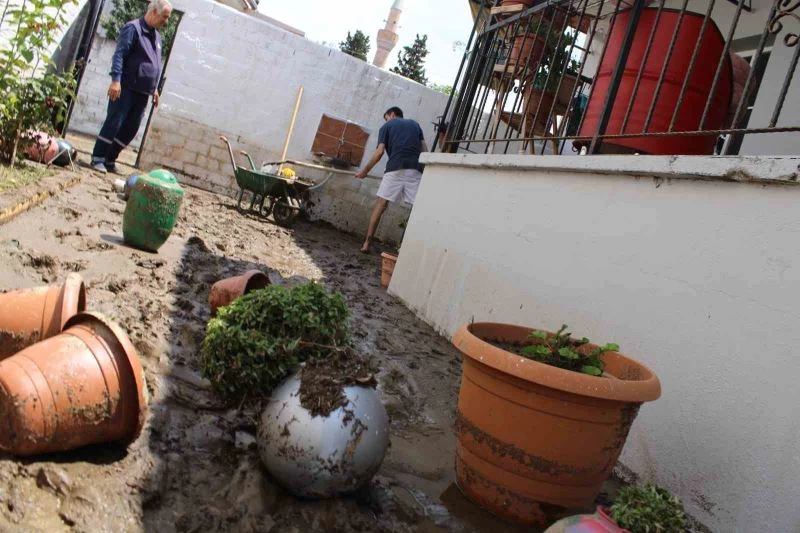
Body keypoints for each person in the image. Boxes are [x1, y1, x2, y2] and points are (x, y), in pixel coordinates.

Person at [90, 0, 172, 174]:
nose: (166, 22)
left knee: (131, 128)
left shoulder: (157, 36)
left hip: (143, 92)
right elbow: (120, 55)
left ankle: (110, 159)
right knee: (114, 123)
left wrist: (155, 88)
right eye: (164, 17)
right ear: (154, 12)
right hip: (126, 87)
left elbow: (155, 64)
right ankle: (98, 157)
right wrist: (115, 80)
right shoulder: (133, 29)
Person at [355, 106, 427, 253]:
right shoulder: (415, 124)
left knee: (380, 205)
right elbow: (425, 151)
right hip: (415, 169)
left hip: (395, 168)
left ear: (392, 115)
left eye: (386, 118)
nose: (386, 121)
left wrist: (364, 171)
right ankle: (408, 250)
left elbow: (380, 151)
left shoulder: (387, 126)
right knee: (417, 210)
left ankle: (367, 244)